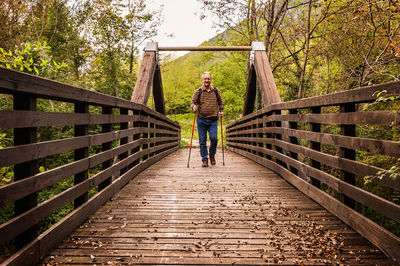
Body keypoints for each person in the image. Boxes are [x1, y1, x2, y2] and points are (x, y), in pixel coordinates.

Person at [191, 72, 224, 167]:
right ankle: (204, 159)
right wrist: (194, 107)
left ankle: (212, 155)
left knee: (214, 139)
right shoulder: (198, 91)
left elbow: (221, 102)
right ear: (202, 80)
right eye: (205, 79)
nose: (207, 80)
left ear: (211, 80)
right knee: (202, 141)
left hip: (213, 119)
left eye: (208, 79)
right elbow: (192, 103)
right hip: (201, 119)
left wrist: (221, 110)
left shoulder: (216, 91)